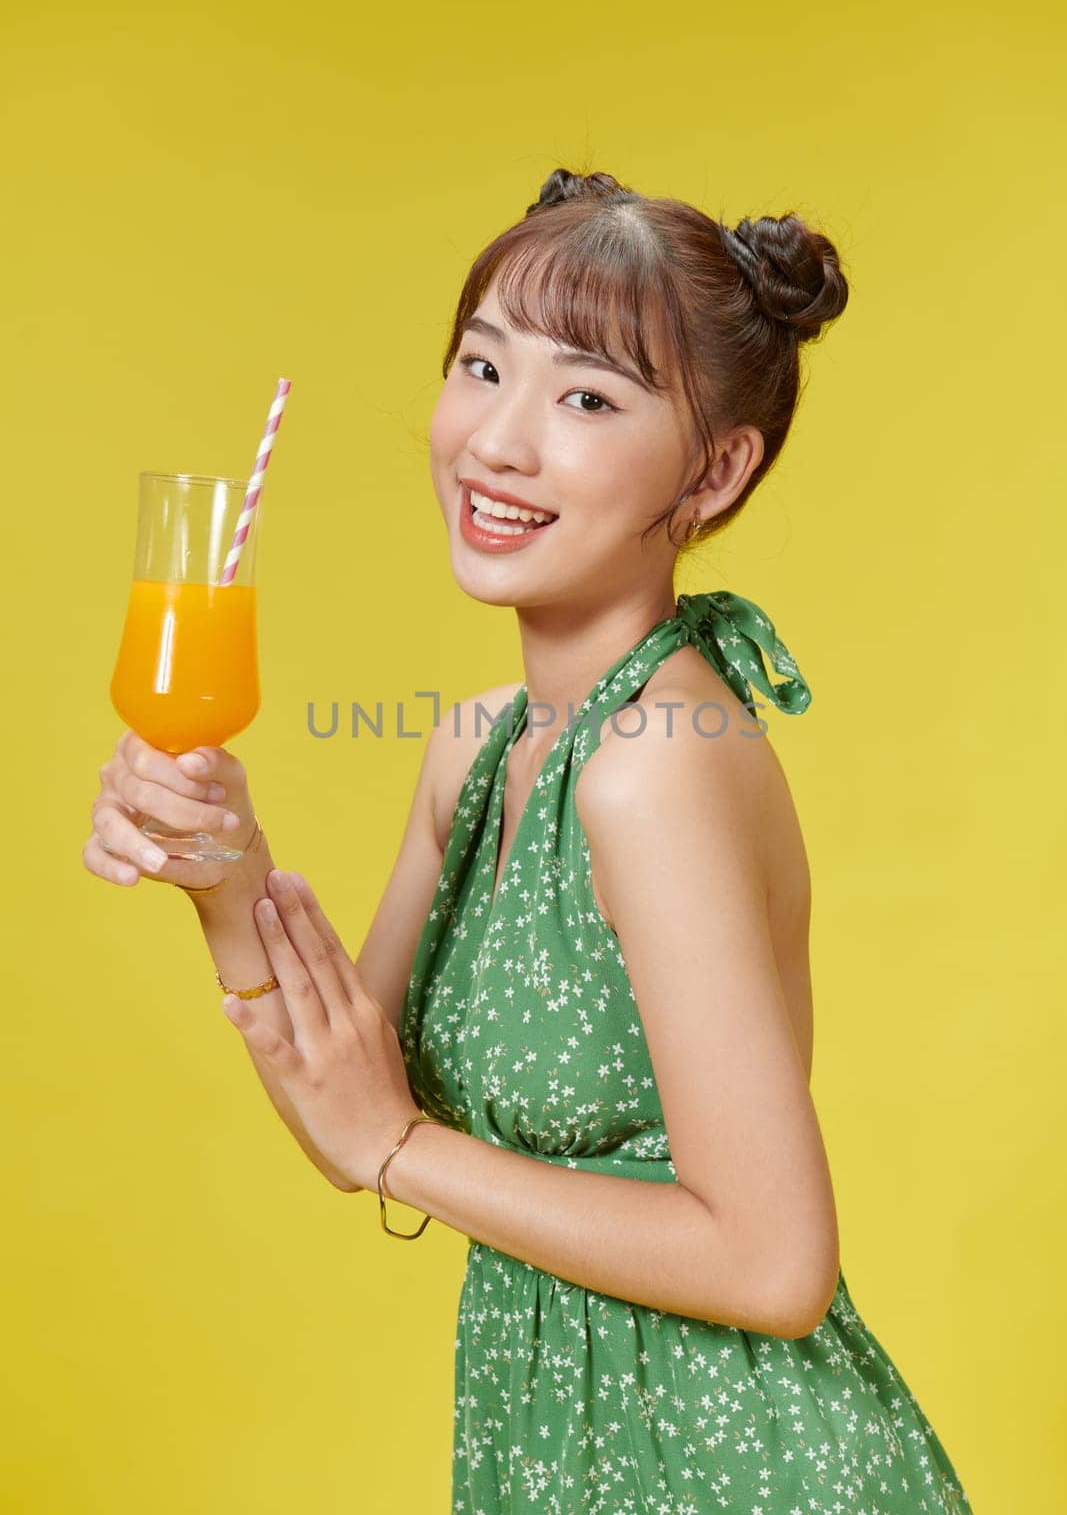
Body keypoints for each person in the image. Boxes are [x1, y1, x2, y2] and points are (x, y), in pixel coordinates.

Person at [85, 168, 974, 1513]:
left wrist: (399, 1151)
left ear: (717, 469)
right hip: (561, 1449)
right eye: (481, 366)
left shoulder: (651, 770)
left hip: (729, 1469)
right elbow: (346, 1111)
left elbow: (775, 1267)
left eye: (587, 399)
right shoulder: (483, 745)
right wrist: (226, 877)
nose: (497, 443)